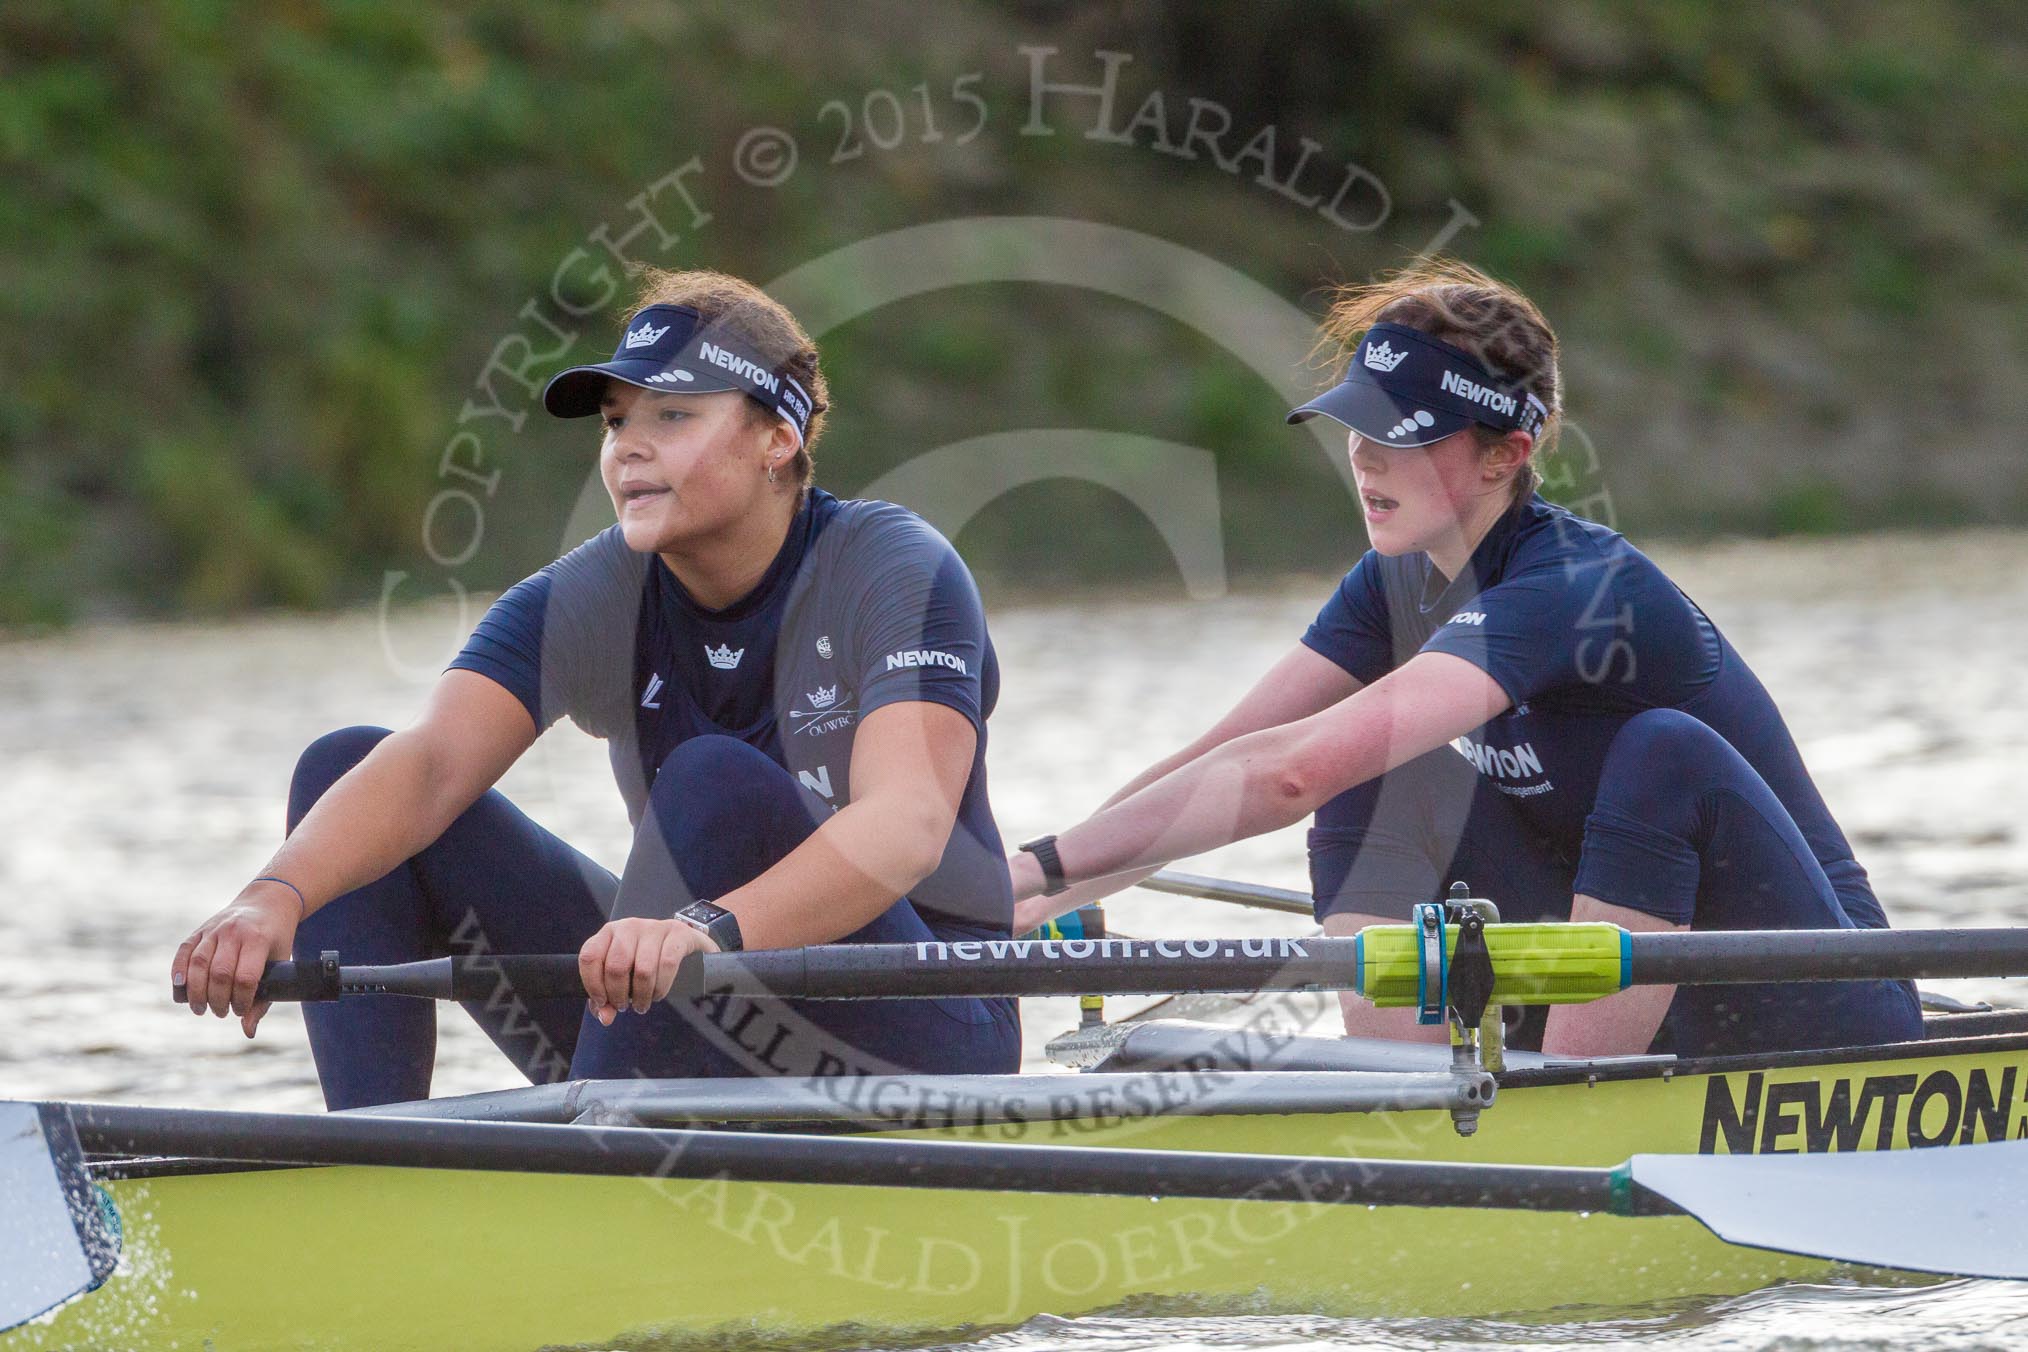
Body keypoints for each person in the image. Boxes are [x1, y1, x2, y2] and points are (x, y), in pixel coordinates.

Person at [1010, 259, 1921, 1060]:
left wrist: (1035, 870)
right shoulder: (1391, 581)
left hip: (1813, 993)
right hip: (1619, 976)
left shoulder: (1576, 586)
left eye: (1402, 437)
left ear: (1506, 456)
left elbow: (1283, 781)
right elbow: (1228, 759)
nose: (1366, 461)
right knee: (1368, 769)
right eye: (1357, 430)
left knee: (1660, 752)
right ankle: (1404, 1094)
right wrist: (1035, 890)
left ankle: (1568, 1108)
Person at [172, 270, 1021, 1108]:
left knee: (711, 779)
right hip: (681, 1012)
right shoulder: (596, 595)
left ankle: (597, 1158)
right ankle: (374, 1169)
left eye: (673, 415)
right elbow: (431, 766)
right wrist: (270, 897)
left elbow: (906, 825)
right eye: (617, 422)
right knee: (345, 770)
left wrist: (706, 932)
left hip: (920, 1028)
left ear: (777, 439)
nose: (628, 448)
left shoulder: (893, 568)